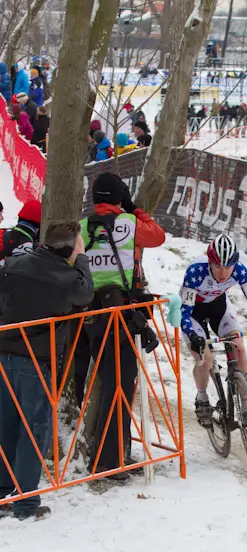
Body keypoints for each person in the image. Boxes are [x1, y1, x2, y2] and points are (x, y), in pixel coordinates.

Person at [0, 222, 94, 520]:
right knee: (34, 430)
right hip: (34, 361)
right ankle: (25, 503)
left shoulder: (13, 264)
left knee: (6, 426)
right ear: (69, 249)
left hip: (4, 355)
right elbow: (86, 294)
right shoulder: (67, 276)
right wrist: (82, 262)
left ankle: (3, 492)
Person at [80, 173, 165, 475]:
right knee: (120, 388)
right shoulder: (129, 224)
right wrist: (135, 209)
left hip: (90, 317)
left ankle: (109, 454)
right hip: (123, 316)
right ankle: (111, 462)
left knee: (110, 385)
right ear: (120, 198)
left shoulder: (82, 227)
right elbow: (157, 235)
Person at [179, 233, 247, 427]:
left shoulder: (240, 270)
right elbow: (184, 313)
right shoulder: (196, 271)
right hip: (193, 313)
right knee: (206, 359)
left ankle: (245, 407)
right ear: (210, 261)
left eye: (228, 266)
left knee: (239, 348)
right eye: (218, 266)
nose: (223, 272)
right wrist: (193, 335)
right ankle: (202, 398)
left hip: (219, 307)